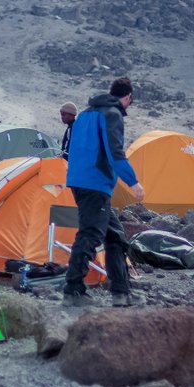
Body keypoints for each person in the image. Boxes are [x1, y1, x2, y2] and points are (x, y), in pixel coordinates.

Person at [63, 76, 145, 307]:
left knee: (115, 236)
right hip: (95, 184)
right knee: (90, 234)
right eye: (131, 100)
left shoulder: (85, 114)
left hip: (79, 181)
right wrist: (133, 182)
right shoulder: (112, 114)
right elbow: (114, 152)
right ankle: (73, 290)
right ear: (128, 96)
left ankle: (121, 292)